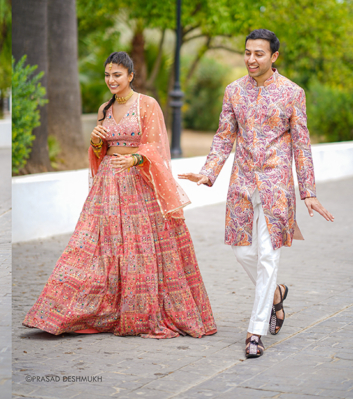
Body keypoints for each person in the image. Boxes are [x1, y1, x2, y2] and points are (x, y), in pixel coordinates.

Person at [23, 51, 216, 338]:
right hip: (108, 185)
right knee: (94, 247)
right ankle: (63, 312)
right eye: (107, 75)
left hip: (139, 185)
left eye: (117, 75)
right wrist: (95, 142)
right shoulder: (104, 109)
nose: (111, 80)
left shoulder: (147, 105)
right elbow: (99, 153)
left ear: (130, 76)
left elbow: (156, 148)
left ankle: (139, 309)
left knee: (139, 250)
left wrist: (136, 160)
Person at [179, 29, 332, 358]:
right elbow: (223, 136)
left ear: (273, 57)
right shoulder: (233, 91)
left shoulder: (293, 93)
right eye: (247, 52)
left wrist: (308, 191)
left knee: (267, 256)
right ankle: (276, 293)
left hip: (277, 186)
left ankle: (255, 331)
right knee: (242, 253)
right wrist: (208, 173)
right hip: (241, 185)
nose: (251, 59)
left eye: (258, 54)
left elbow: (302, 145)